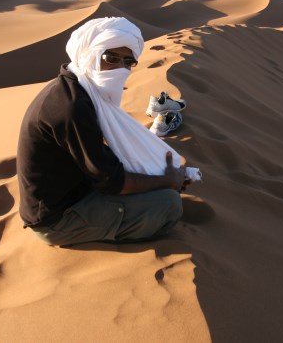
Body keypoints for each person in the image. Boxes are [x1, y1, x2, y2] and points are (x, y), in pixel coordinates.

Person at [17, 17, 189, 246]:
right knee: (168, 204)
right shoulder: (72, 106)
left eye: (128, 61)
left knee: (160, 190)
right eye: (110, 58)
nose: (120, 68)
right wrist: (166, 181)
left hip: (78, 191)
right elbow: (111, 181)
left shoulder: (77, 88)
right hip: (57, 221)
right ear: (90, 56)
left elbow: (101, 161)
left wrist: (161, 175)